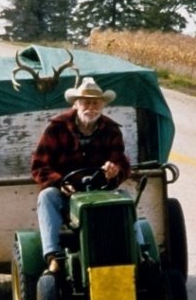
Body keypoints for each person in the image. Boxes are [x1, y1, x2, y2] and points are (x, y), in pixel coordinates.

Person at [31, 77, 131, 274]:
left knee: (125, 201)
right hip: (67, 195)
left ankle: (139, 257)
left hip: (100, 193)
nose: (91, 108)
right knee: (46, 197)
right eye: (86, 102)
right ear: (76, 104)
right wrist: (59, 182)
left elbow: (121, 163)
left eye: (96, 103)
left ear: (102, 105)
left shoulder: (111, 130)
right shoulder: (57, 127)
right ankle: (53, 257)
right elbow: (39, 165)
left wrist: (115, 171)